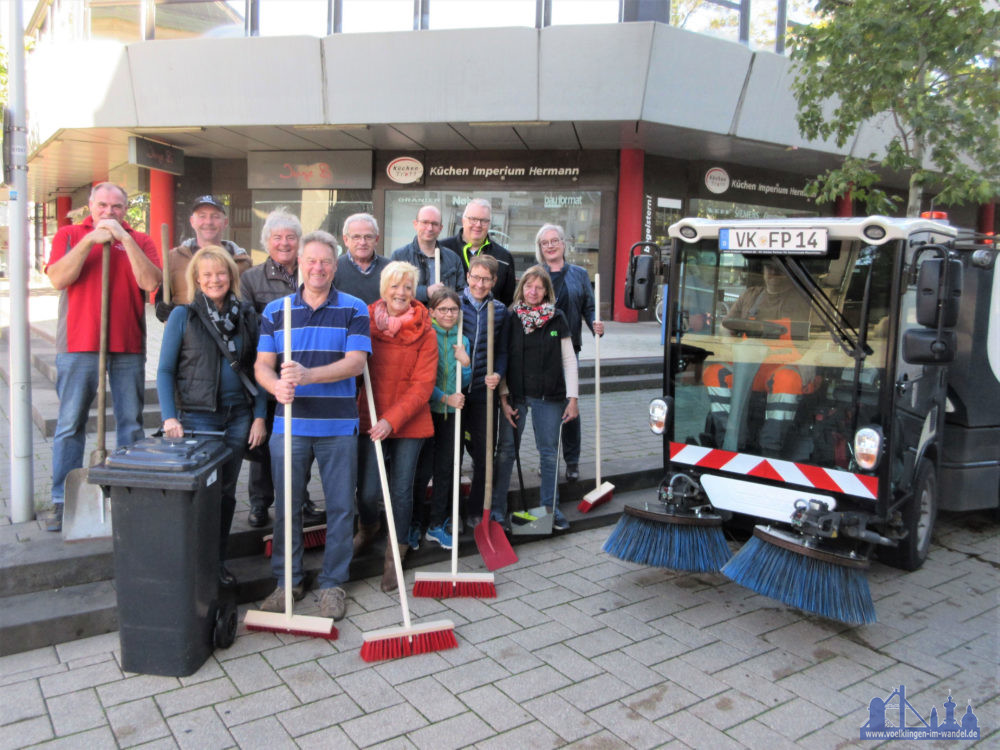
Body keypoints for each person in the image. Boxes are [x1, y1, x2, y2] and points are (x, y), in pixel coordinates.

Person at [253, 236, 370, 621]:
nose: (318, 268)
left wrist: (306, 375)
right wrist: (276, 385)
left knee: (339, 507)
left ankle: (333, 584)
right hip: (290, 425)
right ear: (300, 263)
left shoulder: (354, 309)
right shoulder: (276, 310)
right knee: (287, 508)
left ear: (335, 267)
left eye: (326, 262)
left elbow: (355, 364)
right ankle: (288, 581)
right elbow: (262, 366)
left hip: (338, 425)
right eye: (312, 261)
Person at [44, 182, 162, 532]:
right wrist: (88, 241)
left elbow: (150, 282)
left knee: (131, 422)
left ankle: (130, 491)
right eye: (103, 206)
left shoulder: (140, 240)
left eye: (117, 207)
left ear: (126, 210)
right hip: (78, 344)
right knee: (70, 424)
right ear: (90, 207)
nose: (109, 213)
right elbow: (57, 278)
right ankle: (61, 500)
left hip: (127, 343)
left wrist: (124, 240)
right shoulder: (68, 234)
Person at [156, 247, 267, 586]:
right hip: (199, 420)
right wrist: (169, 417)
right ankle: (194, 564)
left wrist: (260, 416)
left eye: (220, 273)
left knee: (227, 492)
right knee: (202, 494)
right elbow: (164, 371)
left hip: (238, 418)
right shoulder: (183, 316)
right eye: (207, 275)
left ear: (231, 276)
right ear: (197, 280)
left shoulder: (247, 315)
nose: (214, 280)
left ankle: (217, 562)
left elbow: (259, 369)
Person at [354, 261, 438, 591]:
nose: (401, 292)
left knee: (402, 490)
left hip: (408, 421)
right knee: (370, 490)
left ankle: (396, 549)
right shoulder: (364, 324)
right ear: (383, 289)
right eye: (394, 285)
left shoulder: (425, 331)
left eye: (407, 286)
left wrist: (393, 419)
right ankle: (369, 526)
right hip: (371, 418)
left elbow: (423, 385)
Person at [240, 211, 323, 528]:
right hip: (268, 370)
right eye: (277, 237)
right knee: (265, 441)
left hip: (305, 370)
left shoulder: (309, 272)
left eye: (291, 237)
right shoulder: (251, 279)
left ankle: (299, 497)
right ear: (267, 242)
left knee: (300, 440)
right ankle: (260, 503)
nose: (285, 243)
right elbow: (249, 330)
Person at [493, 266, 579, 531]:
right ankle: (497, 512)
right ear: (522, 288)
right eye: (529, 286)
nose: (533, 291)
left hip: (549, 397)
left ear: (546, 291)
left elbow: (569, 359)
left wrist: (573, 398)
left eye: (539, 287)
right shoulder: (510, 316)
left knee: (549, 455)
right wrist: (504, 398)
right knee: (506, 452)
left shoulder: (557, 317)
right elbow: (502, 357)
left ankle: (549, 511)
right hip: (516, 397)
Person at [702, 259, 816, 457]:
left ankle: (771, 447)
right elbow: (725, 326)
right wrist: (729, 343)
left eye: (779, 270)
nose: (772, 274)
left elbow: (821, 337)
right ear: (763, 270)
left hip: (785, 364)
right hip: (748, 364)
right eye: (768, 268)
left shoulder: (805, 299)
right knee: (714, 373)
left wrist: (811, 358)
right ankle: (726, 441)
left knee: (786, 381)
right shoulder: (751, 295)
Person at [535, 223, 604, 481]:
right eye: (545, 243)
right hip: (540, 353)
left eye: (555, 241)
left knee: (570, 407)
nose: (550, 246)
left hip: (568, 350)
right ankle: (547, 458)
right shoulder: (535, 274)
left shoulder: (579, 274)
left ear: (564, 244)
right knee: (546, 409)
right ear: (540, 248)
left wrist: (596, 323)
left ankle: (572, 461)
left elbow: (589, 307)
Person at [410, 288, 472, 551]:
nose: (449, 314)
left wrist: (466, 363)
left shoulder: (462, 339)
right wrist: (445, 398)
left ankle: (436, 524)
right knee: (421, 472)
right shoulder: (425, 337)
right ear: (432, 312)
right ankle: (413, 524)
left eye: (454, 310)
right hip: (426, 413)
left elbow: (464, 382)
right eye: (443, 309)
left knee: (446, 470)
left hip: (451, 417)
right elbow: (419, 381)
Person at [459, 254, 509, 529]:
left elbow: (501, 351)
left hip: (482, 392)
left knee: (483, 452)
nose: (479, 283)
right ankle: (449, 509)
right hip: (456, 391)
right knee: (452, 454)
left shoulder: (499, 310)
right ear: (468, 277)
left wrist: (498, 374)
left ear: (494, 281)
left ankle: (476, 508)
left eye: (485, 279)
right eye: (475, 277)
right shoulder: (454, 303)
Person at [155, 195, 251, 322]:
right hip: (186, 337)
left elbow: (248, 304)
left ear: (225, 222)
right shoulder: (174, 258)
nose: (209, 222)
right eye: (202, 216)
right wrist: (161, 309)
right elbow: (163, 297)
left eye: (215, 216)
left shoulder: (242, 261)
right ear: (192, 221)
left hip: (229, 336)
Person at [440, 198, 515, 306]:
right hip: (450, 320)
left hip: (489, 320)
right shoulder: (443, 249)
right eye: (473, 219)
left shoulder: (504, 257)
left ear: (489, 224)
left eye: (484, 220)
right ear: (463, 220)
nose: (478, 225)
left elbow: (507, 299)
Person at [390, 205, 466, 302]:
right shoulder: (400, 257)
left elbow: (461, 292)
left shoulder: (453, 259)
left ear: (440, 228)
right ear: (415, 224)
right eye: (425, 222)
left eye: (434, 224)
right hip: (411, 316)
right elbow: (392, 291)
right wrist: (425, 292)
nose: (429, 228)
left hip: (444, 316)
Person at [335, 213, 391, 304]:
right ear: (346, 240)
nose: (362, 242)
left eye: (368, 237)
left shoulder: (390, 269)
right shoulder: (333, 269)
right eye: (356, 237)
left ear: (376, 239)